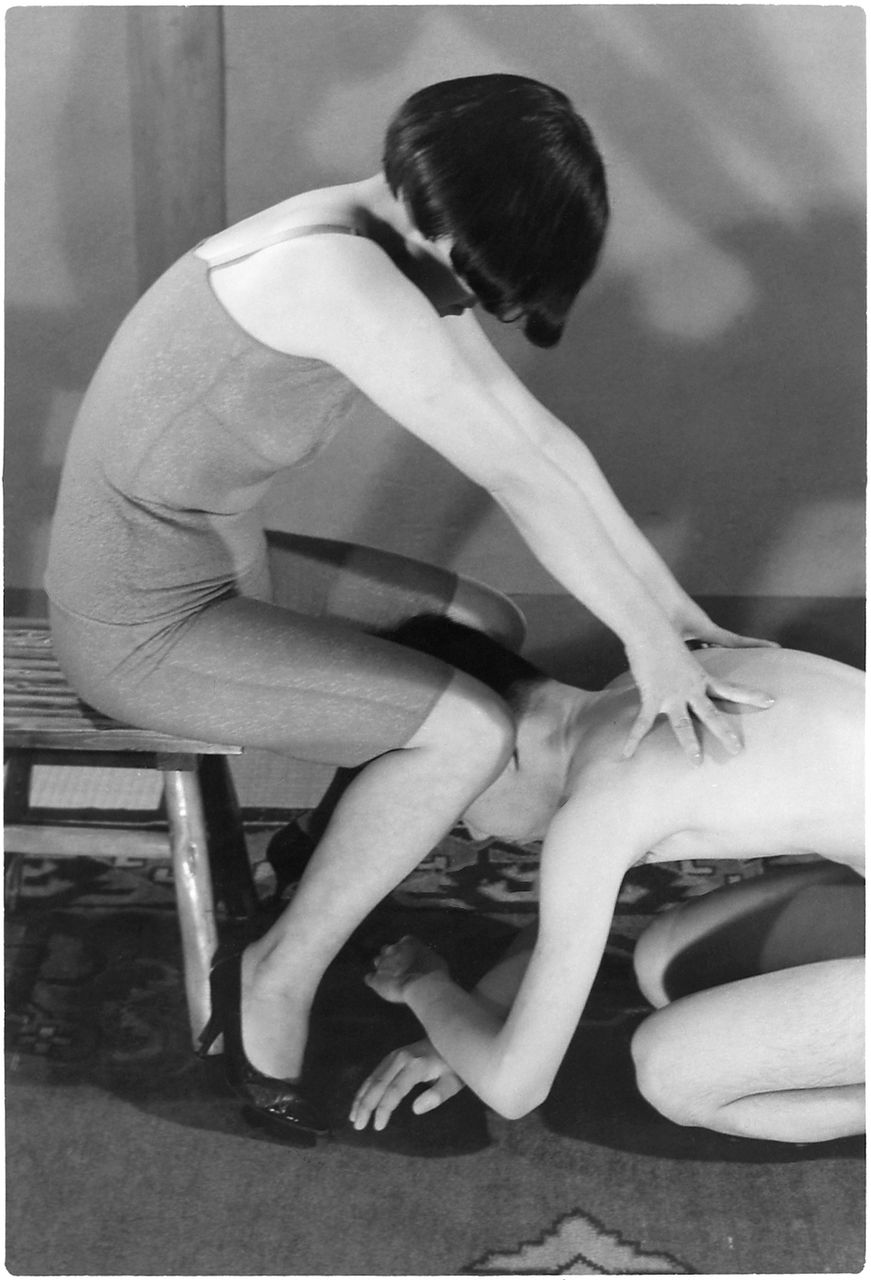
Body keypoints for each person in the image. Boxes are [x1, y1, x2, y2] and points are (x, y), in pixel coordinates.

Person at [45, 74, 774, 1141]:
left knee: (481, 628)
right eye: (477, 272)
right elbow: (516, 478)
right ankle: (277, 971)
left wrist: (674, 618)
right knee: (466, 730)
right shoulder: (331, 274)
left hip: (219, 560)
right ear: (439, 213)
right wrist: (646, 649)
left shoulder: (385, 235)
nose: (474, 300)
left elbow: (541, 442)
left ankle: (318, 860)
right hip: (138, 613)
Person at [352, 616, 863, 1144]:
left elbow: (514, 1090)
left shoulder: (602, 806)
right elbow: (565, 922)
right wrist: (468, 1024)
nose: (475, 833)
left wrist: (423, 986)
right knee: (662, 959)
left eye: (452, 807)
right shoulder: (646, 683)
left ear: (490, 754)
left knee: (672, 1073)